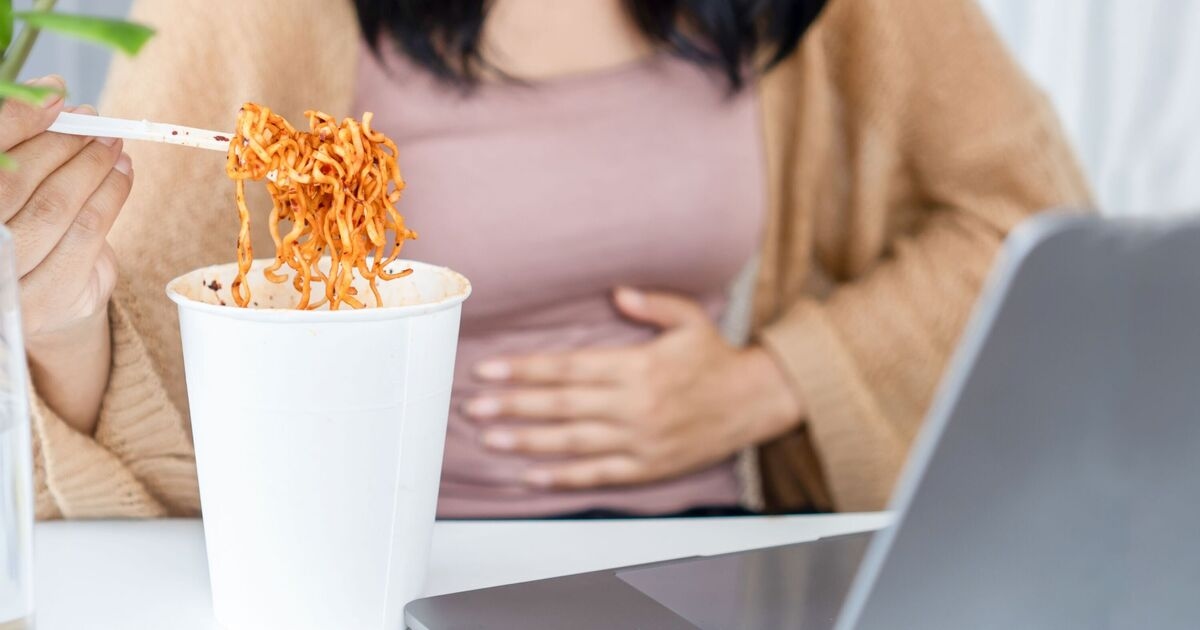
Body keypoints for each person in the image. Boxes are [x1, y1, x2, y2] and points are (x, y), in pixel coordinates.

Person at [8, 0, 1089, 520]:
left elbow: (1039, 225)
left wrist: (777, 383)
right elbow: (143, 359)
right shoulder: (258, 16)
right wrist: (56, 318)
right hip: (395, 571)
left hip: (714, 560)